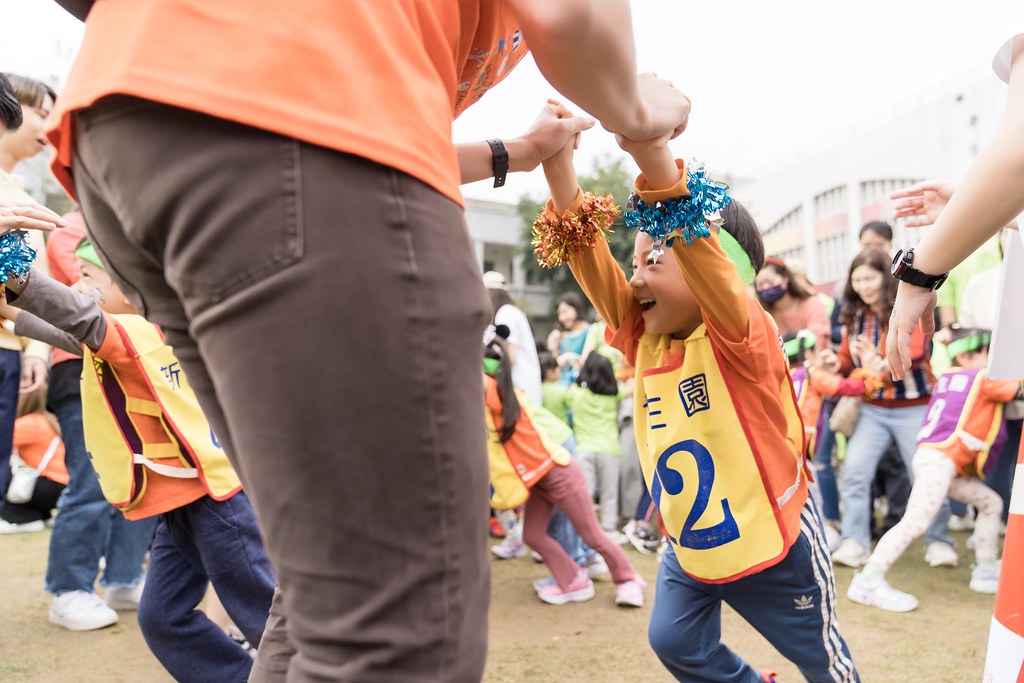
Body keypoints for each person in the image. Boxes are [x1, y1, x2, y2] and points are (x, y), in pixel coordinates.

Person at [46, 2, 691, 678]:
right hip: (273, 112)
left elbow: (369, 120)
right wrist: (641, 120)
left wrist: (518, 154)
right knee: (399, 633)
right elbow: (574, 16)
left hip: (130, 124)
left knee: (322, 586)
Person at [532, 125, 857, 680]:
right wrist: (558, 165)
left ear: (715, 267)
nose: (634, 279)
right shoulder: (646, 335)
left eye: (652, 259)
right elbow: (592, 264)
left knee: (820, 661)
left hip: (772, 534)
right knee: (674, 640)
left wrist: (649, 148)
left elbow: (704, 260)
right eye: (634, 263)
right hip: (694, 540)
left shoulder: (742, 335)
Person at [1, 240, 275, 682]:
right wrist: (7, 304)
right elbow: (53, 326)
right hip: (178, 505)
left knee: (265, 616)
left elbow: (75, 315)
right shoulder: (120, 334)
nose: (78, 285)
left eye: (89, 279)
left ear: (132, 289)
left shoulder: (134, 332)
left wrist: (12, 268)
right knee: (163, 618)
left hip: (215, 504)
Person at [847, 327, 1020, 612]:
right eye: (989, 353)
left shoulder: (949, 375)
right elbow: (1019, 391)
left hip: (938, 459)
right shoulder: (982, 378)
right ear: (965, 355)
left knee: (991, 503)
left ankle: (986, 570)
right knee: (915, 521)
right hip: (941, 460)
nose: (994, 362)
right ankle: (868, 580)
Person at [483, 337, 644, 608]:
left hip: (560, 472)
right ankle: (572, 579)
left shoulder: (497, 392)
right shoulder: (500, 395)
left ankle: (629, 580)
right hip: (539, 480)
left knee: (592, 535)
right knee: (532, 535)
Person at [830, 249, 953, 569]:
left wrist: (875, 365)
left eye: (869, 278)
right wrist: (833, 363)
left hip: (916, 407)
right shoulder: (853, 315)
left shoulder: (906, 306)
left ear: (885, 277)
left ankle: (938, 540)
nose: (862, 286)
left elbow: (910, 355)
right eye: (856, 280)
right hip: (871, 410)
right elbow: (846, 359)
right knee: (855, 472)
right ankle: (855, 542)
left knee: (926, 475)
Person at [0, 74, 54, 493]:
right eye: (42, 113)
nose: (49, 127)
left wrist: (36, 347)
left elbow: (27, 280)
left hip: (11, 348)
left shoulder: (22, 196)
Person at [783, 329, 884, 551]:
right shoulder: (812, 373)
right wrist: (870, 376)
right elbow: (843, 387)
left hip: (785, 441)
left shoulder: (782, 374)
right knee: (821, 475)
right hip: (808, 442)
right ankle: (830, 524)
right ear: (808, 353)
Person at [569, 352, 629, 538]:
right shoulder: (614, 395)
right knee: (609, 493)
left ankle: (583, 529)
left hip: (583, 449)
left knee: (584, 494)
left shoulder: (575, 394)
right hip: (609, 449)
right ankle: (609, 529)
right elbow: (632, 387)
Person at [0, 388, 66, 534]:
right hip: (61, 487)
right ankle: (41, 515)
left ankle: (19, 519)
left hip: (51, 487)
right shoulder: (45, 419)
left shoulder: (29, 423)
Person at [484, 270, 542, 404]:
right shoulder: (512, 311)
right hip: (525, 388)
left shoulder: (506, 313)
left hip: (520, 389)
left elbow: (511, 356)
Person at [755, 258, 830, 352]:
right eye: (760, 284)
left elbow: (817, 342)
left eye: (770, 281)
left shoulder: (813, 304)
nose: (766, 287)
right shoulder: (765, 315)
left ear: (785, 278)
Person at [547, 292, 591, 386]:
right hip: (562, 386)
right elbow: (557, 366)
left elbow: (592, 361)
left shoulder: (590, 331)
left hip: (581, 385)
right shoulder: (562, 335)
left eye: (565, 312)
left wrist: (570, 357)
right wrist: (554, 348)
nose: (561, 318)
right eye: (559, 314)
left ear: (576, 308)